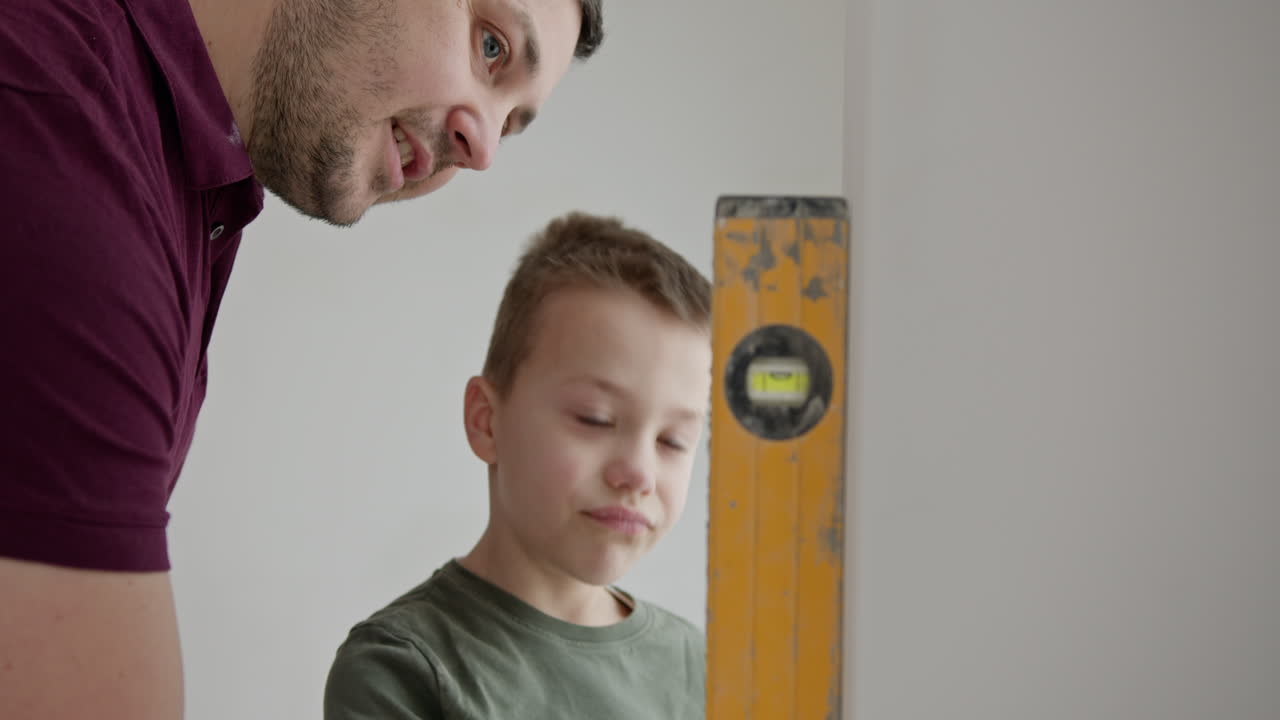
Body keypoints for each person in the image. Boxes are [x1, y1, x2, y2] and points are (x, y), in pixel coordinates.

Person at [0, 0, 604, 716]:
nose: (485, 151)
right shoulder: (60, 141)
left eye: (509, 122)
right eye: (492, 47)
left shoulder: (188, 174)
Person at [323, 212, 711, 719]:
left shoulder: (702, 670)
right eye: (595, 420)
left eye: (673, 441)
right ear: (487, 422)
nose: (638, 473)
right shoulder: (401, 667)